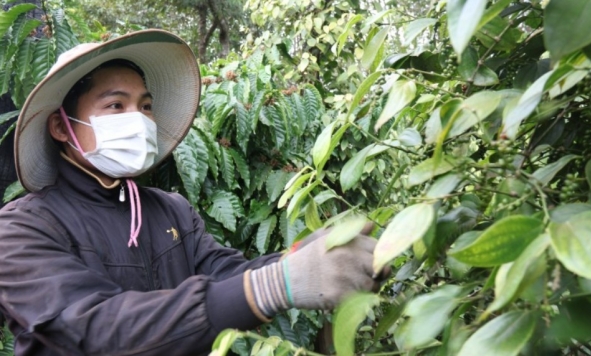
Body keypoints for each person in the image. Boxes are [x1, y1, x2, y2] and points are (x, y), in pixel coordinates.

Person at [0, 30, 387, 356]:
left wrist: (307, 256)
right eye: (116, 105)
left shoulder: (171, 210)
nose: (138, 119)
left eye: (145, 106)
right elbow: (94, 327)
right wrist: (276, 285)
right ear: (62, 127)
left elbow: (226, 274)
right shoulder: (21, 229)